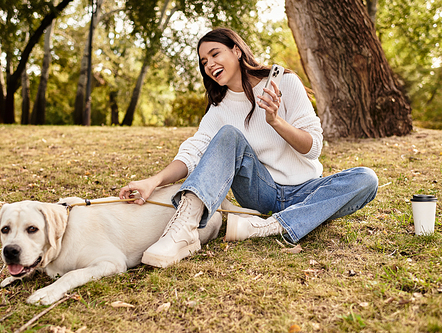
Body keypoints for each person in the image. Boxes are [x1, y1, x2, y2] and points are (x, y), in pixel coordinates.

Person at [119, 28, 378, 268]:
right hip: (260, 192)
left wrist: (275, 121)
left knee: (366, 179)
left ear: (236, 50)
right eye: (203, 62)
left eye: (214, 54)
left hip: (306, 190)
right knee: (229, 134)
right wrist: (153, 181)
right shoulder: (218, 110)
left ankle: (268, 226)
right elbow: (192, 153)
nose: (209, 65)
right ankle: (183, 230)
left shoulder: (285, 82)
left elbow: (313, 148)